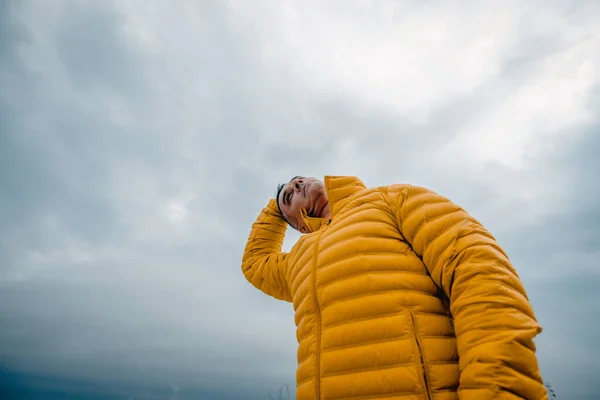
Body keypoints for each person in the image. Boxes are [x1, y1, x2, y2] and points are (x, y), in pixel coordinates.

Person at [241, 175, 546, 400]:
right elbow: (255, 263)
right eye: (289, 196)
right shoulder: (297, 260)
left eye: (298, 181)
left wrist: (497, 388)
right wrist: (275, 205)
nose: (296, 187)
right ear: (296, 224)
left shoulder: (389, 199)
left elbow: (477, 268)